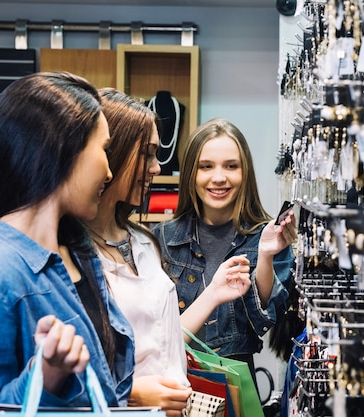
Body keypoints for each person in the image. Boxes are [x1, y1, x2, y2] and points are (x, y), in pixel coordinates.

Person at [0, 72, 135, 417]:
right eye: (104, 149)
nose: (109, 171)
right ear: (62, 147)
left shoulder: (77, 255)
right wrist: (46, 378)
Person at [84, 89, 252, 416]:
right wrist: (129, 394)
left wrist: (215, 292)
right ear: (112, 155)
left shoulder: (143, 242)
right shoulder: (74, 253)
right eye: (146, 154)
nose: (157, 167)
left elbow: (167, 337)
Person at [151, 117, 297, 378]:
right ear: (191, 174)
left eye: (231, 166)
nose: (218, 178)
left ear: (245, 173)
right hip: (170, 383)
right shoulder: (160, 239)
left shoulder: (268, 239)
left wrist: (264, 257)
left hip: (234, 388)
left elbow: (264, 320)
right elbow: (151, 332)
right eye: (206, 166)